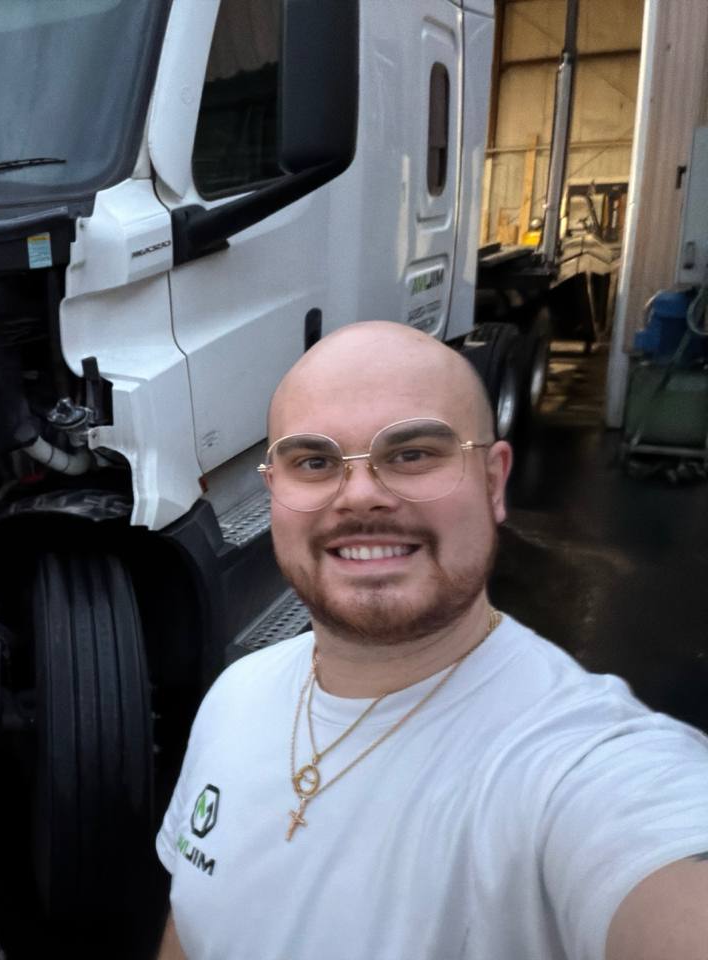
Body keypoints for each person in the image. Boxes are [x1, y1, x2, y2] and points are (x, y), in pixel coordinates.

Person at [155, 322, 708, 960]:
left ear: (494, 482)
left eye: (411, 453)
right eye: (314, 461)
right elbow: (191, 923)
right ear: (273, 490)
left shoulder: (581, 767)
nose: (360, 494)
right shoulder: (236, 695)